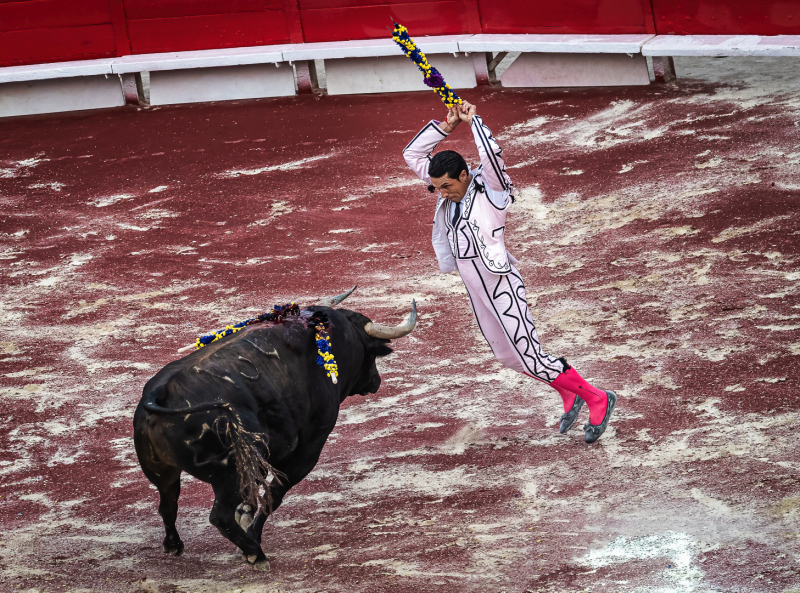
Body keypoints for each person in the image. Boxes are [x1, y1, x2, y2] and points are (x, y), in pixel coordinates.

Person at [402, 100, 617, 443]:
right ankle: (568, 391)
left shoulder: (493, 191)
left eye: (446, 187)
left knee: (531, 357)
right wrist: (448, 125)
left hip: (500, 285)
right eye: (437, 187)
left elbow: (492, 157)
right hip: (476, 289)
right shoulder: (446, 189)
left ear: (463, 175)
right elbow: (412, 154)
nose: (440, 194)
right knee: (507, 357)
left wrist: (474, 122)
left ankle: (597, 397)